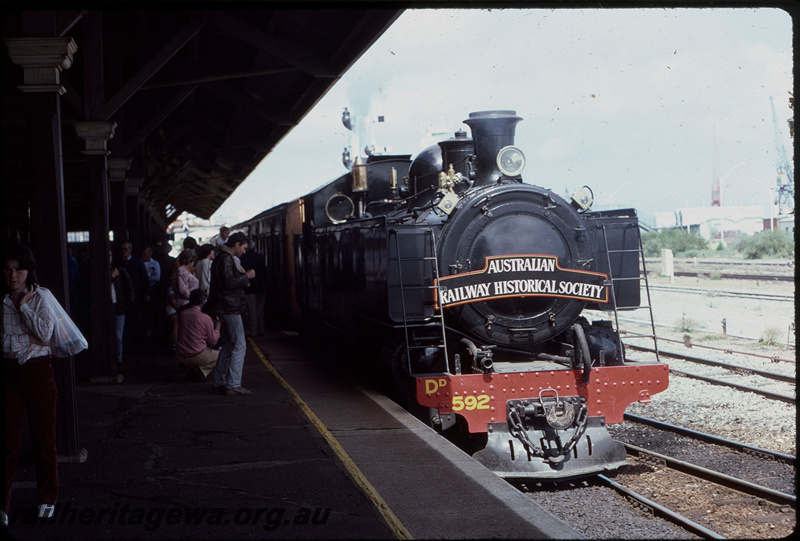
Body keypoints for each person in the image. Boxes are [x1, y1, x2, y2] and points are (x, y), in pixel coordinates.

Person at [3, 242, 58, 522]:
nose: (13, 276)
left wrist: (24, 306)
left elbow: (47, 334)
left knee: (43, 437)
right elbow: (6, 345)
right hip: (10, 373)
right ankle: (3, 504)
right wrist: (29, 339)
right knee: (8, 441)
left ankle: (48, 496)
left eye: (19, 270)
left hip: (38, 371)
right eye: (8, 269)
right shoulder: (0, 300)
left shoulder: (40, 297)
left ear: (29, 271)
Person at [209, 232, 255, 397]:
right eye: (243, 247)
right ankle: (234, 384)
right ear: (236, 244)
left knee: (228, 345)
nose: (244, 251)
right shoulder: (226, 259)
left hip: (224, 306)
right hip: (230, 308)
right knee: (240, 345)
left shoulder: (220, 258)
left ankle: (219, 382)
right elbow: (229, 283)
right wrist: (246, 276)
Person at [176, 289, 220, 381]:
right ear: (203, 301)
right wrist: (218, 326)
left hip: (181, 354)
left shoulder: (182, 314)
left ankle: (188, 367)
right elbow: (213, 341)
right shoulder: (205, 318)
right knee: (221, 356)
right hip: (197, 355)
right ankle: (201, 371)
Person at [111, 252, 135, 373]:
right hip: (109, 306)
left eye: (111, 255)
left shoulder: (119, 270)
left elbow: (130, 285)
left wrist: (128, 302)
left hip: (119, 305)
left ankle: (119, 361)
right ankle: (113, 361)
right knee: (111, 335)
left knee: (118, 336)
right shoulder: (101, 272)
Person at [240, 246, 267, 337]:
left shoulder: (243, 258)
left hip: (250, 288)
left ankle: (253, 331)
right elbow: (264, 272)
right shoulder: (260, 256)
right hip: (261, 286)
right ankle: (261, 329)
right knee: (260, 309)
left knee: (252, 310)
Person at [141, 246, 161, 340]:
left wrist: (147, 277)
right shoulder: (139, 263)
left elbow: (157, 277)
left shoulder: (155, 263)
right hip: (142, 289)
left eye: (145, 254)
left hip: (152, 289)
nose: (143, 256)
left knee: (151, 310)